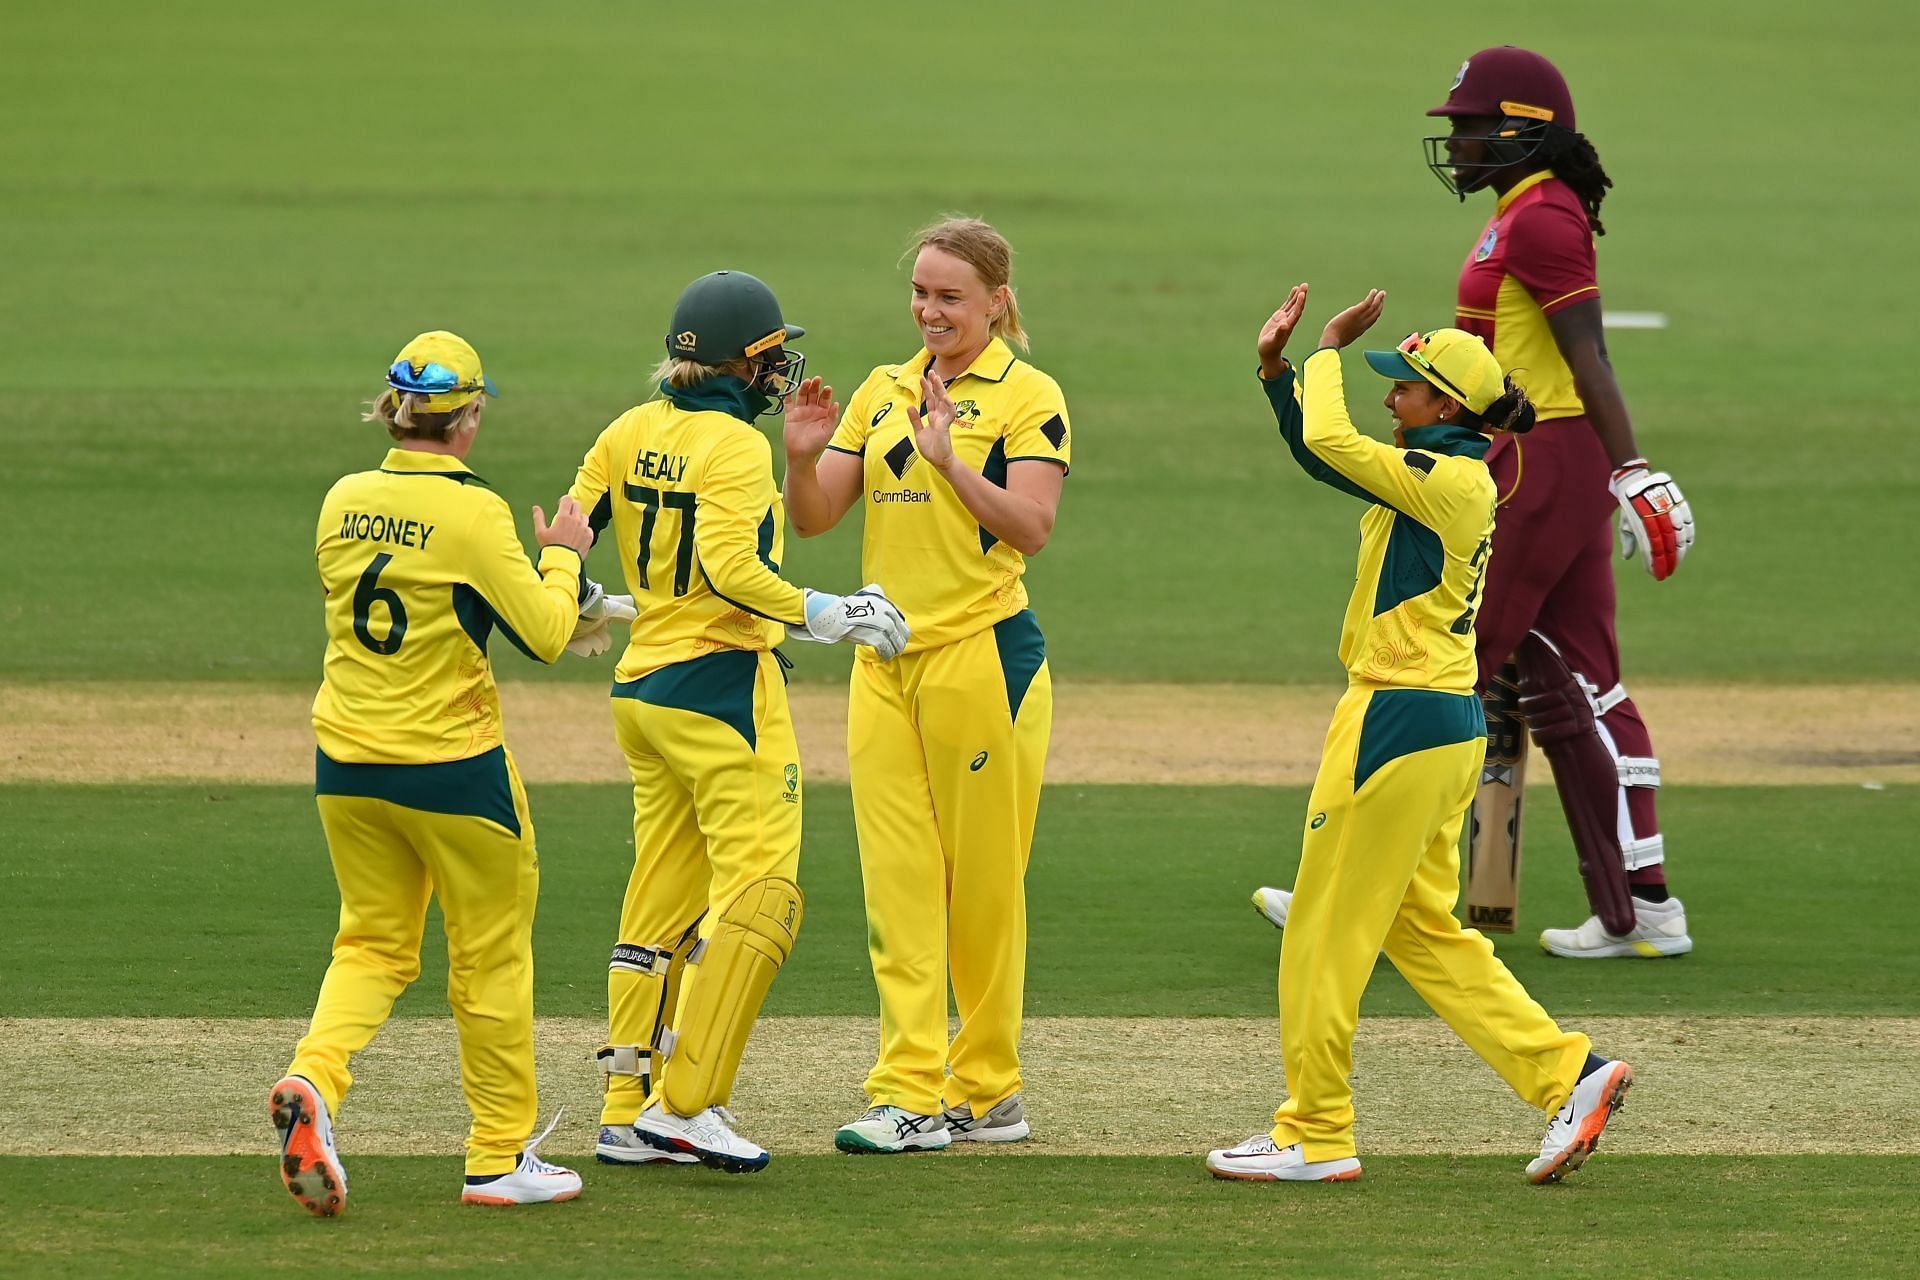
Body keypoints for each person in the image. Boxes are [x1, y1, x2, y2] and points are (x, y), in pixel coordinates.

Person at [1257, 46, 1695, 959]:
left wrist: (1631, 467)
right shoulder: (1522, 212)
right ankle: (1640, 905)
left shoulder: (1540, 220)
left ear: (1524, 132)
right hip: (1546, 457)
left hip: (1538, 464)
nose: (1454, 143)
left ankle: (1351, 896)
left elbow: (1589, 357)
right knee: (1580, 676)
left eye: (1468, 127)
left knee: (1445, 673)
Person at [1208, 284, 1632, 1185]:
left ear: (1445, 405)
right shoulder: (1443, 471)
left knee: (1321, 935)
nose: (1388, 396)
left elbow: (1330, 440)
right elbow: (1326, 456)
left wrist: (1323, 347)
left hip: (1395, 720)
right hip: (1442, 726)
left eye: (1402, 386)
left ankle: (1314, 1133)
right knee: (1423, 932)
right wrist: (1277, 369)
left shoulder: (1445, 478)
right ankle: (1569, 1074)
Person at [574, 270, 910, 1174]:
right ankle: (688, 1105)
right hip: (722, 696)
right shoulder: (731, 449)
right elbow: (729, 569)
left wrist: (585, 601)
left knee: (660, 904)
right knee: (760, 898)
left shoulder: (628, 429)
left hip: (642, 699)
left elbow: (570, 531)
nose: (778, 372)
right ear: (738, 362)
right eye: (769, 357)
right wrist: (830, 610)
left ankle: (624, 1105)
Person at [272, 330, 608, 1214]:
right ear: (469, 417)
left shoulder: (341, 499)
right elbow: (540, 632)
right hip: (453, 771)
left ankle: (313, 1080)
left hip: (346, 761)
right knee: (490, 959)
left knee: (373, 944)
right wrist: (567, 554)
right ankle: (498, 1158)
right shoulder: (474, 509)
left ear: (393, 411)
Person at [782, 217, 1070, 1154]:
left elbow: (1030, 527)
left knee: (981, 888)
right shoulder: (883, 388)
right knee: (898, 887)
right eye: (919, 292)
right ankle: (907, 1088)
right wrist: (799, 455)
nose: (929, 310)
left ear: (996, 301)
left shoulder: (1029, 396)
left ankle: (987, 1091)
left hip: (983, 660)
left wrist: (951, 467)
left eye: (950, 296)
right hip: (883, 661)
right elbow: (819, 517)